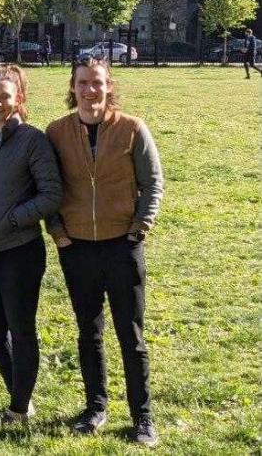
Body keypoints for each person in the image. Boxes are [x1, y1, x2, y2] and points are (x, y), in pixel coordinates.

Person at [46, 56, 164, 446]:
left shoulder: (132, 129)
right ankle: (95, 406)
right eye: (82, 83)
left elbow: (153, 182)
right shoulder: (57, 132)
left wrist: (140, 226)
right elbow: (47, 188)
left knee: (130, 334)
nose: (90, 90)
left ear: (108, 86)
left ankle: (142, 416)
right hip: (76, 247)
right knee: (88, 332)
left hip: (122, 246)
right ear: (73, 87)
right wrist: (59, 232)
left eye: (97, 82)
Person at [0, 65, 62, 423]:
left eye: (4, 96)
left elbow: (52, 194)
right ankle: (21, 395)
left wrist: (15, 218)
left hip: (18, 250)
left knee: (20, 329)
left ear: (19, 98)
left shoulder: (32, 140)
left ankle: (18, 408)